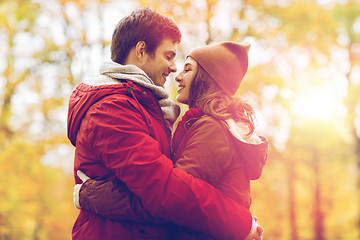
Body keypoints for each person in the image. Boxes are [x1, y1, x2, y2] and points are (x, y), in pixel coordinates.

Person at [67, 7, 263, 240]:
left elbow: (169, 192)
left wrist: (96, 196)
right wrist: (240, 223)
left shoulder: (168, 114)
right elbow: (166, 191)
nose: (174, 70)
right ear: (141, 51)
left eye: (185, 67)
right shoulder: (112, 109)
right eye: (169, 56)